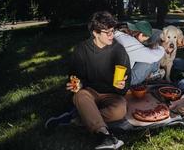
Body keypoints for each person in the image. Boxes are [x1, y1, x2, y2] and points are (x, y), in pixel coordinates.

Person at [46, 11, 131, 150]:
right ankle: (106, 136)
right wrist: (76, 85)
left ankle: (76, 118)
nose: (112, 35)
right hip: (89, 92)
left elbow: (127, 82)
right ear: (95, 33)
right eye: (107, 32)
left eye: (113, 31)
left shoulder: (119, 50)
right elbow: (74, 76)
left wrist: (122, 86)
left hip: (112, 94)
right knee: (80, 96)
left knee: (120, 111)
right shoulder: (81, 49)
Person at [114, 21, 165, 86]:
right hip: (124, 80)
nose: (144, 41)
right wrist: (162, 47)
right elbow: (153, 57)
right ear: (140, 34)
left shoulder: (121, 34)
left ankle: (153, 73)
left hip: (117, 72)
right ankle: (153, 74)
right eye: (144, 40)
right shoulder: (130, 42)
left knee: (149, 52)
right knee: (150, 60)